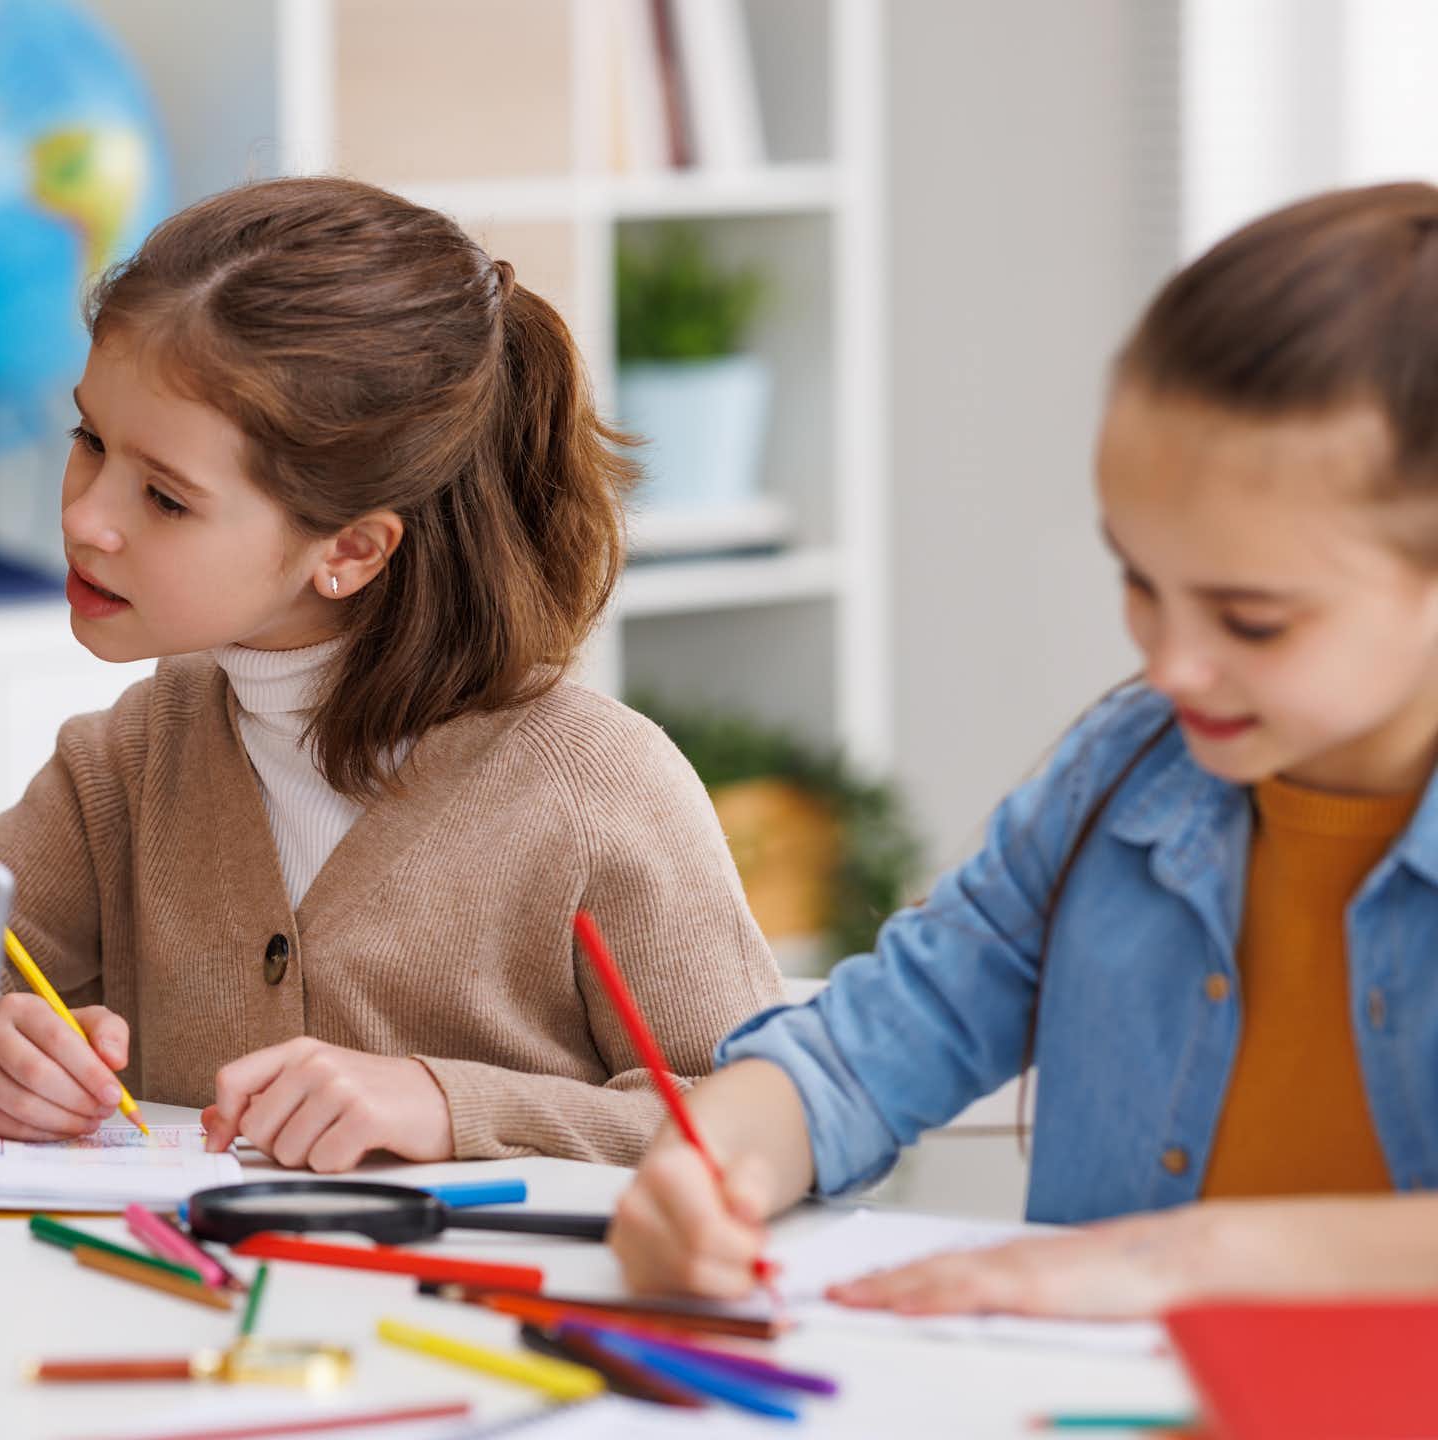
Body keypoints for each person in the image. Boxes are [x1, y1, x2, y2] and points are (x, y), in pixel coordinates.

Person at [611, 183, 1438, 1319]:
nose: (1168, 667)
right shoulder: (1124, 774)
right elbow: (870, 1045)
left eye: (1252, 620)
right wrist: (708, 1166)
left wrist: (1169, 1262)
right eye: (1139, 582)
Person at [0, 176, 783, 1171]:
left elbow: (765, 1119)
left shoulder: (597, 787)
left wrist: (452, 1106)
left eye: (166, 499)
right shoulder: (130, 762)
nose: (86, 516)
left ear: (349, 550)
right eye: (88, 441)